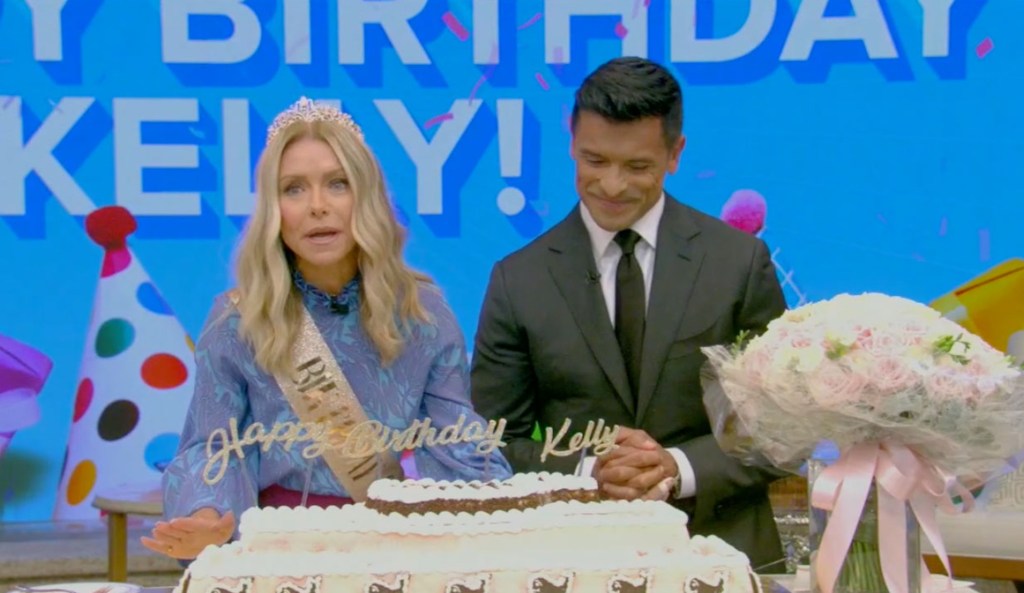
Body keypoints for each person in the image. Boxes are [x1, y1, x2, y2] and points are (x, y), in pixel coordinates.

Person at [144, 97, 511, 560]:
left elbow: (457, 440)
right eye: (294, 189)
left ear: (367, 197)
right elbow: (213, 450)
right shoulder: (238, 321)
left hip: (387, 552)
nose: (317, 206)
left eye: (337, 184)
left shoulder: (423, 313)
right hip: (277, 554)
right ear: (272, 210)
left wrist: (512, 513)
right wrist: (204, 519)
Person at [470, 57, 788, 569]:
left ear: (675, 154)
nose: (612, 186)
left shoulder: (739, 263)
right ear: (571, 142)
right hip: (572, 562)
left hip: (725, 555)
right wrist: (587, 468)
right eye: (594, 161)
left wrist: (676, 466)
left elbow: (781, 428)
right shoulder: (518, 279)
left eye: (637, 167)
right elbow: (485, 445)